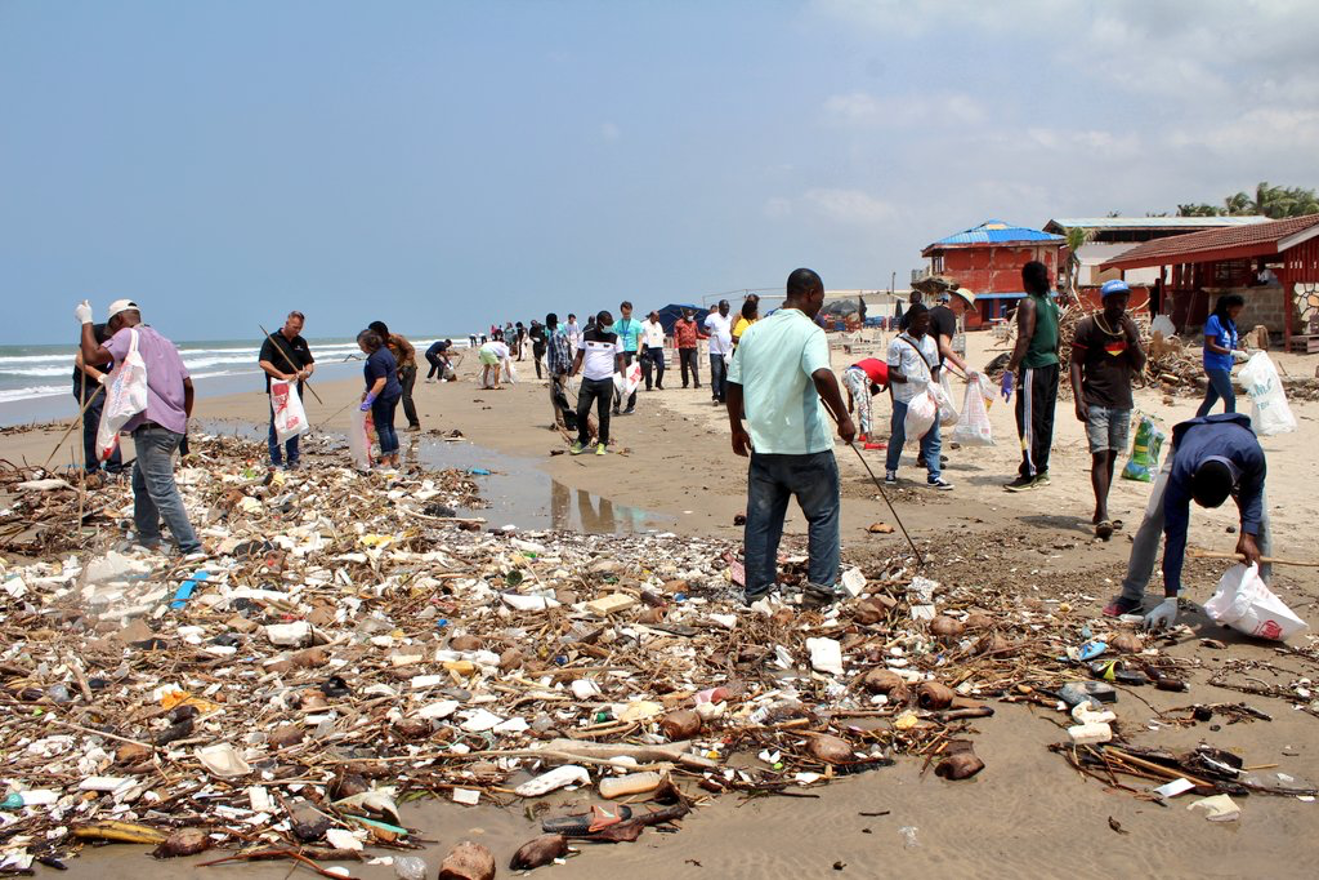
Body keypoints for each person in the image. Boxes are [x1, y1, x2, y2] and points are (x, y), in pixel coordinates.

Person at [727, 268, 855, 606]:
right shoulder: (808, 331)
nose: (820, 308)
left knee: (761, 521)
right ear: (811, 293)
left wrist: (736, 429)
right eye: (821, 301)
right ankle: (820, 589)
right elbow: (822, 374)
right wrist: (844, 418)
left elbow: (733, 384)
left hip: (765, 448)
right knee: (823, 515)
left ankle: (757, 590)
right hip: (807, 448)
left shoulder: (753, 332)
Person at [1102, 413, 1269, 629]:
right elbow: (1176, 533)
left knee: (1260, 524)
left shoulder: (1252, 455)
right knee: (1154, 517)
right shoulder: (1183, 468)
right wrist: (1171, 599)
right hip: (1188, 443)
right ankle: (1131, 595)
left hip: (1238, 447)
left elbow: (1253, 496)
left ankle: (1259, 604)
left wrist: (1248, 535)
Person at [75, 298, 202, 555]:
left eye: (111, 329)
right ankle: (148, 536)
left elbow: (91, 355)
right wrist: (182, 420)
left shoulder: (128, 336)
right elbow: (188, 385)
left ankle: (191, 547)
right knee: (142, 482)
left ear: (120, 319)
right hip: (173, 427)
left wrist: (86, 319)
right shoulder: (165, 342)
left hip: (152, 429)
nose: (112, 336)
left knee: (161, 489)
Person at [1070, 280, 1147, 539]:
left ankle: (1100, 507)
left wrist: (1132, 337)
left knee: (1112, 456)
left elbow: (1139, 364)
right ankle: (1103, 513)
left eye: (1122, 301)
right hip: (1095, 401)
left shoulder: (1128, 329)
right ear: (1103, 302)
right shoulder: (1088, 327)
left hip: (1122, 402)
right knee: (1100, 456)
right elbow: (1076, 364)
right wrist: (1079, 400)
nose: (1118, 306)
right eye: (1113, 301)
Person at [1002, 261, 1061, 491]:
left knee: (1027, 420)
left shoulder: (1029, 303)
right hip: (1052, 365)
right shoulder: (1050, 303)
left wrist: (1010, 369)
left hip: (1034, 367)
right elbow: (1057, 339)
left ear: (1026, 280)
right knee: (1046, 420)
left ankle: (1030, 472)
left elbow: (1024, 338)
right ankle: (1041, 468)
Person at [884, 304, 953, 490]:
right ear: (912, 320)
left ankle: (934, 475)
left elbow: (935, 367)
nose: (926, 324)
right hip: (905, 398)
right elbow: (890, 373)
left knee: (933, 435)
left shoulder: (930, 342)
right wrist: (909, 378)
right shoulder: (897, 344)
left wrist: (935, 385)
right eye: (922, 321)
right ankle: (891, 470)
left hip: (926, 397)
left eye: (927, 321)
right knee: (899, 435)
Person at [258, 311, 315, 470]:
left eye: (300, 328)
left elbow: (309, 363)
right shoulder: (272, 340)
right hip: (278, 388)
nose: (297, 330)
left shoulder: (301, 342)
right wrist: (282, 375)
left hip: (296, 388)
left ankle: (293, 458)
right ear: (287, 323)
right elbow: (263, 363)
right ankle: (275, 459)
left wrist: (306, 373)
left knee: (294, 420)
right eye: (295, 327)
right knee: (277, 421)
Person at [71, 322, 123, 480]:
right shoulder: (97, 332)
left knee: (112, 421)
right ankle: (93, 469)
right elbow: (80, 359)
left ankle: (114, 468)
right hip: (89, 384)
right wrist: (99, 376)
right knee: (94, 422)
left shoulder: (128, 337)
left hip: (112, 383)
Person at [570, 309, 624, 456]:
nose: (609, 326)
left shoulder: (614, 338)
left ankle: (602, 443)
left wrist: (623, 379)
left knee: (604, 415)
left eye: (611, 324)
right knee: (581, 411)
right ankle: (583, 439)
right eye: (607, 324)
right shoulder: (586, 336)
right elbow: (579, 356)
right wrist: (571, 375)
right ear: (599, 323)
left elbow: (620, 359)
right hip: (588, 381)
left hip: (606, 381)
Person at [357, 328, 402, 469]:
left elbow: (381, 381)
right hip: (394, 391)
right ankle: (395, 458)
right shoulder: (385, 351)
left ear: (370, 344)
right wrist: (367, 390)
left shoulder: (376, 358)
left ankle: (386, 460)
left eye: (362, 346)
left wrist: (369, 399)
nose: (361, 349)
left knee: (382, 427)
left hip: (384, 396)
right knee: (390, 426)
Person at [1196, 294, 1247, 417]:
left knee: (1211, 399)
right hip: (1215, 365)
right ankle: (1230, 427)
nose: (1236, 314)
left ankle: (1196, 423)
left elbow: (1230, 345)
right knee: (1230, 398)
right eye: (1234, 311)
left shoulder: (1229, 323)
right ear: (1227, 308)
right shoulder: (1214, 320)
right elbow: (1210, 345)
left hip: (1225, 365)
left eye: (1238, 312)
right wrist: (1231, 352)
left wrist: (1243, 351)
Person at [368, 321, 420, 433]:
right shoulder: (378, 344)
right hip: (394, 372)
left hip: (408, 370)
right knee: (389, 397)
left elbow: (410, 350)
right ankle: (384, 424)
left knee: (406, 396)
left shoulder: (396, 338)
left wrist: (406, 365)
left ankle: (414, 424)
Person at [841, 357, 888, 450]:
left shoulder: (877, 368)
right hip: (858, 373)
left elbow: (851, 384)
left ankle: (862, 434)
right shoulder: (889, 372)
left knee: (862, 404)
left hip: (846, 374)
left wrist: (851, 402)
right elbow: (892, 389)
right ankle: (869, 441)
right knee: (867, 405)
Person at [544, 312, 577, 432]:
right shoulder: (557, 334)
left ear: (549, 323)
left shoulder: (555, 336)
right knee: (558, 396)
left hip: (558, 372)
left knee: (556, 397)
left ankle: (562, 420)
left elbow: (561, 354)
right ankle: (562, 419)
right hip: (557, 370)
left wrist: (559, 372)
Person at [611, 301, 644, 415]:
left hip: (632, 353)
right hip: (619, 353)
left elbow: (640, 340)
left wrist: (638, 353)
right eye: (625, 313)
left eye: (628, 313)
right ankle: (616, 404)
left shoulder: (637, 324)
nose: (626, 315)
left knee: (631, 380)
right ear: (621, 311)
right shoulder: (616, 325)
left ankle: (630, 405)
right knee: (617, 379)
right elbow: (612, 340)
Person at [704, 299, 734, 404]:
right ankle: (715, 395)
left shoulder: (731, 319)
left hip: (727, 350)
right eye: (725, 308)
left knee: (725, 374)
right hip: (715, 350)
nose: (727, 310)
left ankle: (724, 395)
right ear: (720, 308)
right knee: (716, 373)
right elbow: (705, 328)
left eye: (728, 308)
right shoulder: (712, 318)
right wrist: (711, 334)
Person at [673, 308, 704, 389]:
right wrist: (676, 347)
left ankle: (696, 382)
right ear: (685, 315)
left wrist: (707, 337)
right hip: (683, 348)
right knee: (684, 366)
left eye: (692, 315)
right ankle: (685, 383)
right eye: (689, 315)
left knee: (694, 364)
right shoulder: (679, 323)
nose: (691, 317)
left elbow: (698, 334)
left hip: (693, 347)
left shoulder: (694, 323)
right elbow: (676, 336)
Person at [640, 310, 667, 391]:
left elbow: (660, 335)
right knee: (648, 367)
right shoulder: (643, 324)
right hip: (648, 347)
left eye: (658, 317)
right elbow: (639, 336)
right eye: (656, 317)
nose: (658, 318)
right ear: (651, 316)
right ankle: (649, 385)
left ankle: (658, 383)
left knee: (661, 366)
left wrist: (664, 338)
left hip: (658, 347)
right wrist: (641, 348)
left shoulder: (659, 325)